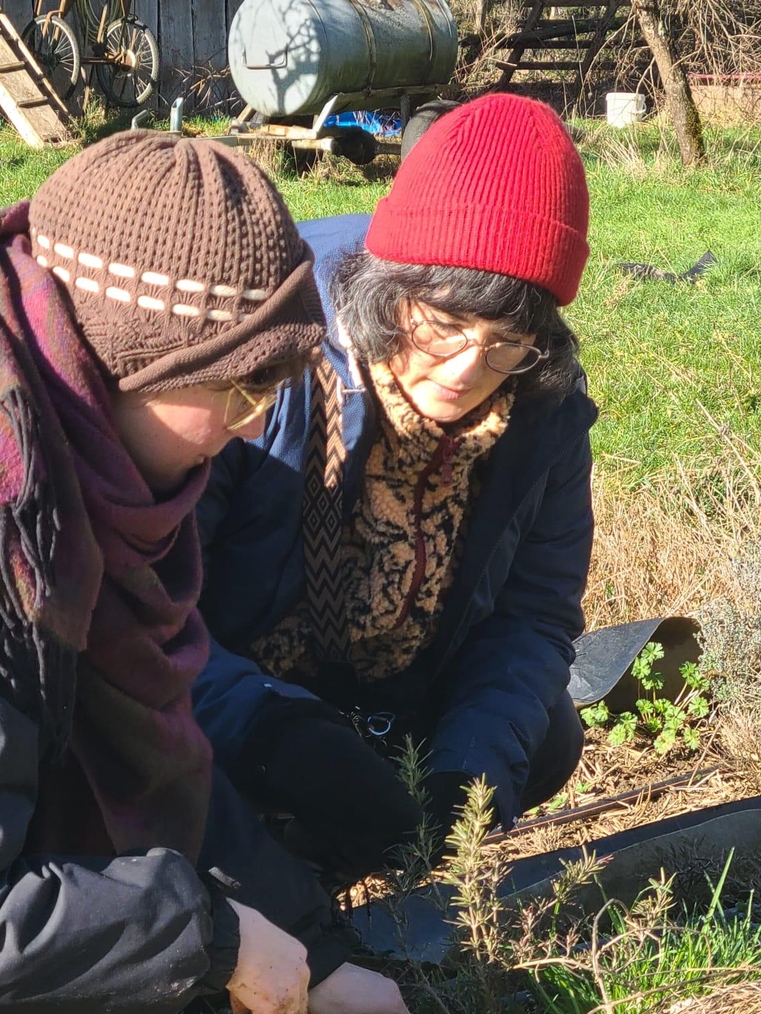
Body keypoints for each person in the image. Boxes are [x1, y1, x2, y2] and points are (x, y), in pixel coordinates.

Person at [0, 130, 421, 1014]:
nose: (251, 428)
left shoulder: (53, 454)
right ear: (117, 358)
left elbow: (148, 738)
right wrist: (213, 934)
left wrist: (314, 953)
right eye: (236, 389)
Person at [192, 94, 597, 897]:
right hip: (238, 683)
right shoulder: (270, 345)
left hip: (392, 696)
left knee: (543, 733)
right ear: (391, 287)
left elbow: (534, 615)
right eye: (444, 325)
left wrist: (463, 777)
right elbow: (147, 609)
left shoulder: (545, 400)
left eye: (504, 344)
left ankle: (358, 841)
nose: (464, 372)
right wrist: (274, 734)